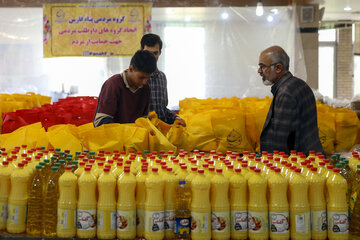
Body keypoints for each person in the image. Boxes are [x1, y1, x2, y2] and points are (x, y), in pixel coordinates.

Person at [258, 45, 324, 155]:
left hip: (300, 164)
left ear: (278, 68)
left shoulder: (286, 93)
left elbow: (280, 140)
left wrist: (273, 167)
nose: (259, 71)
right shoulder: (299, 84)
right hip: (310, 158)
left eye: (262, 66)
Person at [93, 50, 157, 127]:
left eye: (147, 78)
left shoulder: (146, 89)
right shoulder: (113, 85)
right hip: (114, 137)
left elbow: (142, 119)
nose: (144, 82)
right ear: (131, 69)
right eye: (141, 77)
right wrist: (125, 132)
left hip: (135, 137)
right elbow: (100, 121)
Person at [140, 33, 186, 126]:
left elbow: (162, 109)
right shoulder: (133, 77)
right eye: (148, 53)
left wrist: (175, 118)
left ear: (160, 52)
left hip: (161, 132)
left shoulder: (162, 77)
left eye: (155, 53)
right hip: (141, 133)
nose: (151, 57)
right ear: (141, 51)